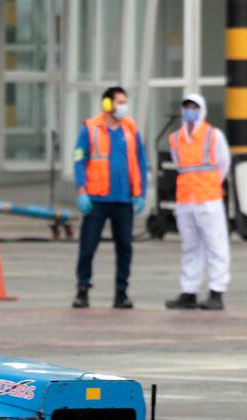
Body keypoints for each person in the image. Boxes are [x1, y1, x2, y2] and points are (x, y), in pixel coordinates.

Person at [73, 85, 149, 310]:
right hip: (96, 199)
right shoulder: (91, 128)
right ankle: (82, 289)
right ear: (107, 104)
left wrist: (140, 193)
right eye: (120, 102)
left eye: (125, 102)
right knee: (88, 247)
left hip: (123, 200)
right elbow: (79, 159)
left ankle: (121, 292)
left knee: (125, 247)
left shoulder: (130, 129)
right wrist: (81, 191)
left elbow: (140, 163)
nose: (124, 106)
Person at [165, 94, 231, 311]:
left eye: (194, 107)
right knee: (190, 247)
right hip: (185, 200)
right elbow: (179, 166)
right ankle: (188, 291)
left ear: (201, 110)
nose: (189, 111)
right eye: (186, 107)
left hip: (208, 199)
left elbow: (223, 163)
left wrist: (209, 184)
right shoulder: (176, 138)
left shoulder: (213, 135)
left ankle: (216, 291)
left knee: (215, 245)